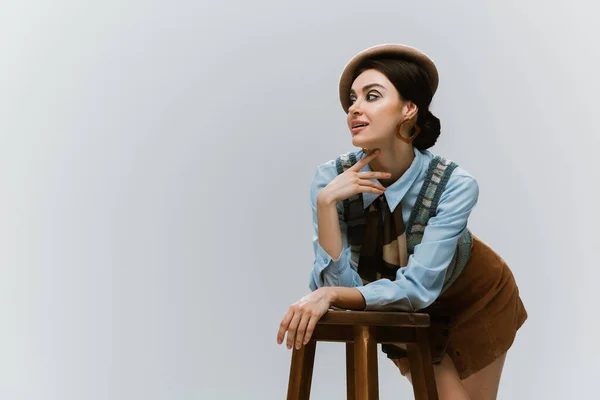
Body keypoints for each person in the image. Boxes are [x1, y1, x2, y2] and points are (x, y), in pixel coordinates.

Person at [276, 43, 527, 399]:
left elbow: (416, 288)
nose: (354, 108)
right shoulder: (329, 181)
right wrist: (326, 204)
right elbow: (345, 285)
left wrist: (328, 293)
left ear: (409, 109)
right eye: (352, 99)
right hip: (393, 298)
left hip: (474, 296)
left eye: (371, 96)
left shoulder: (455, 185)